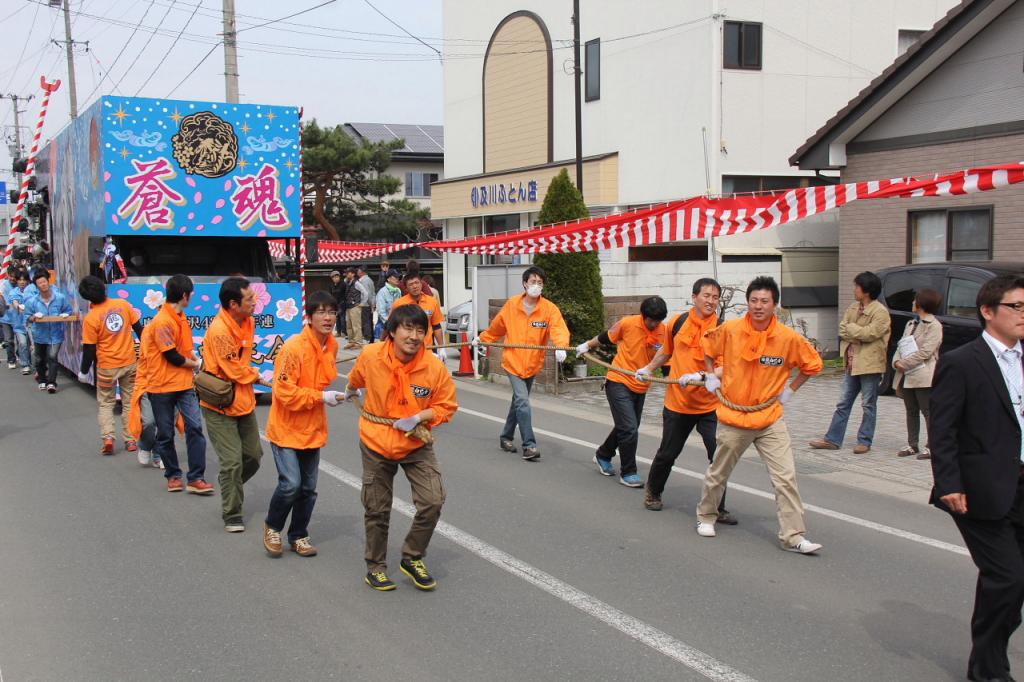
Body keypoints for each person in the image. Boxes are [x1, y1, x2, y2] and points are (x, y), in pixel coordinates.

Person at [930, 274, 1024, 682]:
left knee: (1009, 585)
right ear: (988, 312)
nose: (1023, 315)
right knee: (1006, 577)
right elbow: (943, 428)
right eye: (1016, 307)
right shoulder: (963, 361)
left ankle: (987, 657)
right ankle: (988, 671)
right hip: (980, 487)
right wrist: (949, 483)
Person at [695, 276, 824, 554]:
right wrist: (710, 376)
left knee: (786, 477)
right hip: (734, 416)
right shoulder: (730, 329)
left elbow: (813, 365)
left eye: (764, 301)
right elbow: (707, 347)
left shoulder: (788, 338)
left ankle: (794, 536)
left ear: (775, 305)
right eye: (753, 300)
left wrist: (790, 389)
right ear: (747, 303)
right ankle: (706, 515)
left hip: (770, 418)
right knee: (719, 472)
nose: (758, 306)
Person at [346, 303, 458, 591]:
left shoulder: (433, 366)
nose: (414, 336)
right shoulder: (371, 356)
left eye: (421, 330)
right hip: (376, 440)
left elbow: (446, 405)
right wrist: (350, 390)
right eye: (408, 328)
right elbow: (357, 379)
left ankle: (412, 556)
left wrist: (418, 417)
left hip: (415, 442)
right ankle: (375, 566)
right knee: (377, 507)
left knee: (433, 500)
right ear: (392, 331)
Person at [634, 278, 735, 523]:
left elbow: (726, 366)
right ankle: (653, 492)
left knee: (717, 456)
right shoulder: (677, 323)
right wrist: (648, 368)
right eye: (706, 296)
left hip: (709, 405)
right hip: (678, 403)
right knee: (668, 453)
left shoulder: (723, 329)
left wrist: (703, 376)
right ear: (694, 297)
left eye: (715, 297)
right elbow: (666, 351)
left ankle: (717, 507)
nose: (711, 301)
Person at [263, 290, 341, 558]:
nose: (328, 317)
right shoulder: (293, 348)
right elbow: (283, 392)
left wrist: (345, 391)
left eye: (332, 312)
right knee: (291, 485)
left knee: (308, 489)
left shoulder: (331, 345)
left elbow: (324, 379)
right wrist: (321, 396)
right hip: (286, 428)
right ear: (309, 317)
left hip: (313, 426)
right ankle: (273, 527)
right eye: (321, 312)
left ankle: (298, 534)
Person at [473, 266, 570, 461]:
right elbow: (497, 327)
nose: (536, 285)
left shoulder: (549, 309)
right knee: (523, 401)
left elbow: (559, 328)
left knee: (518, 402)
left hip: (533, 363)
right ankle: (529, 445)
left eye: (540, 283)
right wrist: (483, 339)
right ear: (525, 283)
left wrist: (561, 346)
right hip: (513, 362)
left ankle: (506, 436)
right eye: (533, 282)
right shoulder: (512, 305)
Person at [201, 277, 271, 533]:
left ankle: (230, 484)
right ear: (233, 304)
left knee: (253, 456)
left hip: (243, 400)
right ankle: (232, 513)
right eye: (250, 299)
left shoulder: (249, 321)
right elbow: (232, 369)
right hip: (219, 401)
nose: (255, 302)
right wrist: (258, 376)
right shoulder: (219, 330)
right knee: (232, 462)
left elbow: (242, 360)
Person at [577, 296, 668, 488]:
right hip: (618, 381)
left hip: (641, 385)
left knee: (626, 426)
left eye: (657, 321)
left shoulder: (664, 332)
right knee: (629, 428)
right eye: (651, 320)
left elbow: (665, 360)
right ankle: (628, 472)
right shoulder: (628, 324)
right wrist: (586, 345)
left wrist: (673, 380)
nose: (654, 324)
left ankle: (603, 454)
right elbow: (605, 337)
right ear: (643, 316)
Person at [143, 274, 213, 495]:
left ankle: (196, 478)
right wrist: (195, 363)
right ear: (184, 295)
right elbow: (172, 356)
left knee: (195, 427)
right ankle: (173, 475)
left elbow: (184, 348)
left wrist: (196, 359)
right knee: (165, 434)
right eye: (190, 294)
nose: (191, 297)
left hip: (183, 385)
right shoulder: (163, 321)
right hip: (161, 385)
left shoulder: (181, 317)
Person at [809, 271, 891, 454]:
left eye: (857, 287)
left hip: (870, 364)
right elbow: (843, 329)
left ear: (866, 290)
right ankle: (832, 439)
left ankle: (864, 440)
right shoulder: (853, 308)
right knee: (843, 402)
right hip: (851, 363)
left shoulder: (880, 312)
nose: (854, 290)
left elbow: (871, 333)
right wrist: (857, 333)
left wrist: (855, 332)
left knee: (868, 404)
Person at [77, 275, 143, 455]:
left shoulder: (91, 318)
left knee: (106, 403)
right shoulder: (123, 305)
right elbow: (140, 330)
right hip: (129, 362)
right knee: (129, 402)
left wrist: (83, 372)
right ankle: (131, 439)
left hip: (106, 366)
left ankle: (108, 437)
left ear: (87, 297)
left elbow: (89, 349)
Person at [893, 288, 943, 461]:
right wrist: (896, 362)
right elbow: (901, 345)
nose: (913, 303)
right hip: (906, 374)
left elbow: (926, 351)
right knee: (910, 410)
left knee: (927, 411)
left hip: (923, 374)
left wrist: (904, 364)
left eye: (915, 301)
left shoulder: (934, 325)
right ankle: (912, 444)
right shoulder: (911, 324)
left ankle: (932, 446)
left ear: (922, 304)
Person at [23, 269, 72, 393]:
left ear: (48, 282)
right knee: (39, 358)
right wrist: (33, 317)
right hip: (39, 334)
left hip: (56, 334)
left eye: (44, 282)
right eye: (40, 283)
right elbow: (26, 316)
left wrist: (65, 314)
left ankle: (51, 383)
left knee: (52, 356)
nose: (43, 284)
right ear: (37, 286)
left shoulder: (60, 298)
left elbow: (68, 309)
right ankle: (42, 380)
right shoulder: (32, 301)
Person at [392, 270, 445, 355]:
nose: (415, 286)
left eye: (417, 283)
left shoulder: (432, 302)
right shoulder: (399, 304)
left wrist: (442, 348)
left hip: (428, 348)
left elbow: (436, 326)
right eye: (411, 284)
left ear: (421, 284)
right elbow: (392, 327)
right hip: (407, 349)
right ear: (406, 288)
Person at [5, 270, 33, 375]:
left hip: (32, 323)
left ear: (27, 281)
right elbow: (15, 302)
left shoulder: (32, 290)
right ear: (17, 281)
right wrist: (19, 307)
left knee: (32, 346)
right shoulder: (13, 292)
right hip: (19, 324)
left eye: (24, 279)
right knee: (23, 343)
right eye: (20, 280)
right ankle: (25, 365)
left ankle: (33, 364)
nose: (22, 282)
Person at [374, 268, 402, 342]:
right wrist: (389, 323)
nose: (398, 279)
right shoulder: (382, 292)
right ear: (388, 279)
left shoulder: (398, 291)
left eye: (398, 277)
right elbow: (381, 312)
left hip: (396, 324)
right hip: (384, 326)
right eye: (395, 277)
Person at [343, 268, 368, 349]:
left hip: (355, 307)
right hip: (348, 306)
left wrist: (362, 303)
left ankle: (359, 342)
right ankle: (351, 341)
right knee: (349, 325)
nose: (347, 274)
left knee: (356, 325)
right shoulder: (346, 282)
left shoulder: (357, 283)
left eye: (348, 273)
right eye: (346, 273)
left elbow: (365, 293)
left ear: (353, 274)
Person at [357, 265, 376, 344]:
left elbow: (366, 294)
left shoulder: (364, 281)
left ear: (362, 272)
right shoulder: (369, 280)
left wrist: (365, 303)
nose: (357, 272)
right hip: (369, 303)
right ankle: (371, 338)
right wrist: (373, 304)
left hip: (365, 304)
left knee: (365, 322)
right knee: (369, 322)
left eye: (358, 270)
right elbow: (373, 293)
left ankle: (367, 338)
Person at [328, 270, 347, 337]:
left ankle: (343, 332)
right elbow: (330, 294)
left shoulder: (343, 284)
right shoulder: (331, 285)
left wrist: (343, 302)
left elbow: (345, 294)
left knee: (342, 318)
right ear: (332, 278)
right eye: (334, 277)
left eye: (337, 277)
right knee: (337, 318)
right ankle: (338, 332)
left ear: (339, 277)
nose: (335, 278)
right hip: (334, 304)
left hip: (342, 303)